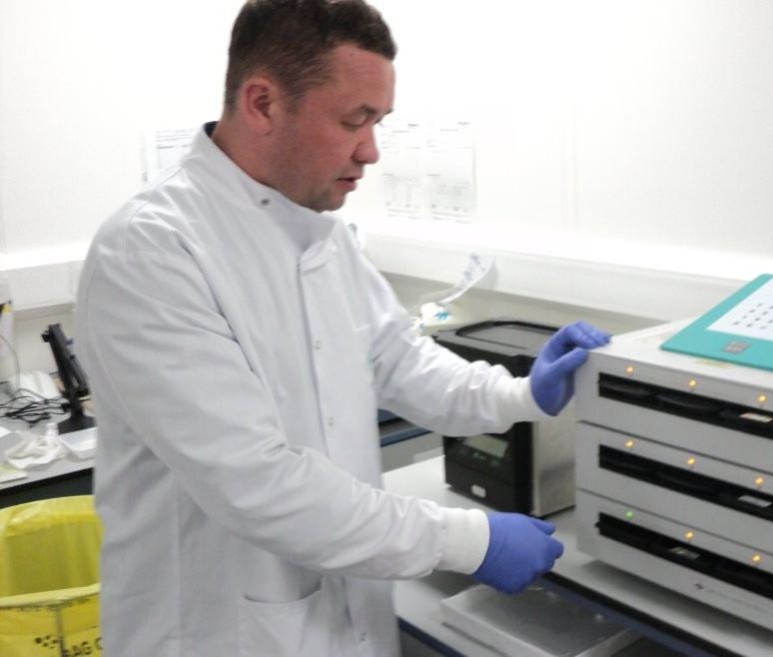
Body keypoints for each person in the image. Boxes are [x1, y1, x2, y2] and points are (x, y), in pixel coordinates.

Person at [74, 1, 610, 655]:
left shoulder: (323, 236)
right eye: (354, 121)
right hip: (216, 633)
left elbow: (401, 361)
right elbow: (258, 483)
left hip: (345, 619)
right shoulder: (151, 250)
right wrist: (471, 540)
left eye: (378, 122)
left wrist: (522, 394)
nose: (372, 151)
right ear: (263, 103)